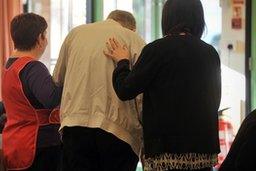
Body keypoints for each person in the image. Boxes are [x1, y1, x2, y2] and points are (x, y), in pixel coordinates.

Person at [104, 0, 221, 170]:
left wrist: (122, 61)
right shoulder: (210, 53)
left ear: (167, 18)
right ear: (198, 19)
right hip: (203, 151)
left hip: (165, 153)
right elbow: (214, 100)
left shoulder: (156, 50)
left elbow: (125, 89)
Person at [53, 10, 145, 171]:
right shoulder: (133, 39)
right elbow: (141, 95)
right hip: (117, 130)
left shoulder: (75, 34)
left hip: (75, 125)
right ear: (131, 28)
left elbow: (57, 79)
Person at [2, 13, 62, 171]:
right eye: (45, 35)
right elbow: (51, 99)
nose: (47, 40)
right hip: (38, 144)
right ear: (39, 38)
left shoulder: (10, 65)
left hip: (15, 141)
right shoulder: (33, 67)